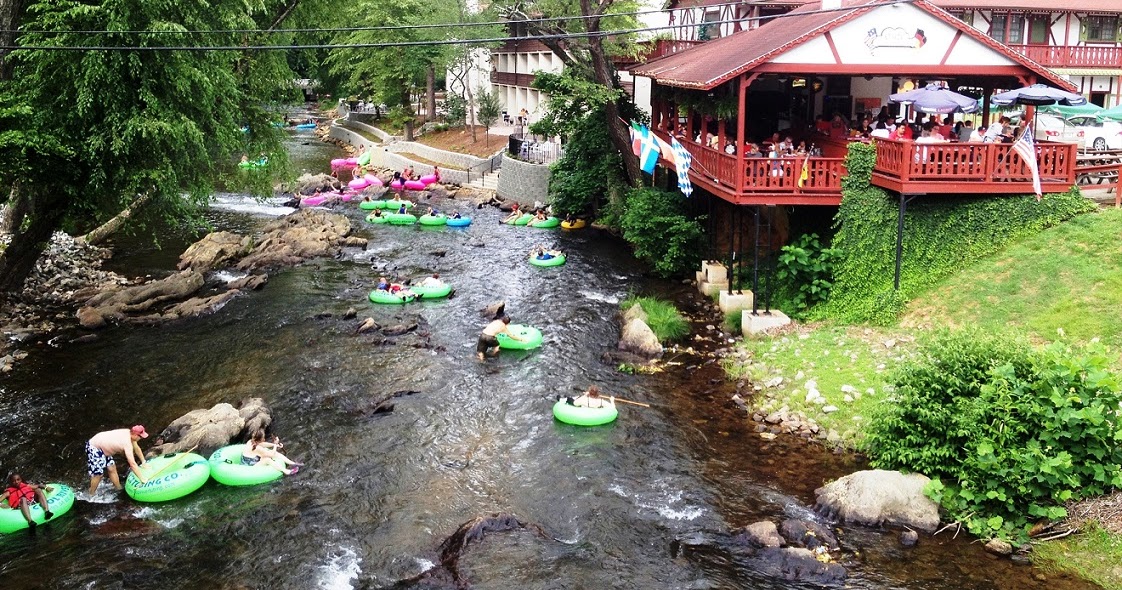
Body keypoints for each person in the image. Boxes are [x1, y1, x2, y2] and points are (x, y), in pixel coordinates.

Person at [86, 425, 149, 495]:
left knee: (111, 468)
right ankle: (91, 493)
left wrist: (144, 462)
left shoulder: (130, 434)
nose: (141, 438)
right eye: (140, 436)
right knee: (98, 474)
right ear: (134, 434)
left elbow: (137, 448)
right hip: (94, 446)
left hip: (103, 445)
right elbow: (132, 464)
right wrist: (142, 478)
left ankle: (118, 488)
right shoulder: (126, 443)